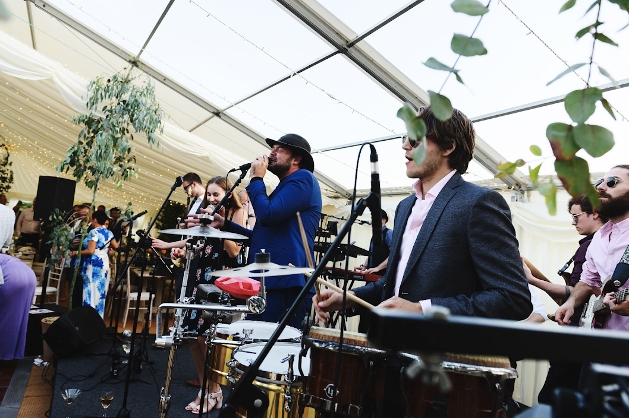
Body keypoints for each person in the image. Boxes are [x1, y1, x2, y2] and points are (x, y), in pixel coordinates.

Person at [313, 106, 532, 414]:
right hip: (388, 366)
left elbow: (513, 298)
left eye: (415, 139)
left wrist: (423, 310)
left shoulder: (479, 203)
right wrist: (348, 299)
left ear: (448, 146)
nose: (404, 146)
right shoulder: (405, 207)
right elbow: (397, 289)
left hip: (443, 378)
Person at [209, 133, 322, 328]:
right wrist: (226, 225)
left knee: (264, 347)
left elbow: (267, 215)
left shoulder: (303, 179)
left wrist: (256, 179)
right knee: (255, 343)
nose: (271, 152)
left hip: (287, 281)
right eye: (272, 148)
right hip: (272, 279)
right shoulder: (285, 186)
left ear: (296, 159)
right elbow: (264, 238)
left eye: (279, 149)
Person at [173, 176, 246, 414]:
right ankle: (205, 389)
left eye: (216, 194)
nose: (212, 198)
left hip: (219, 280)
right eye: (210, 195)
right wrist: (171, 246)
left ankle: (214, 391)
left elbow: (234, 251)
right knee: (193, 336)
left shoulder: (236, 212)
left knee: (208, 338)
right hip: (199, 277)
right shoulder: (205, 212)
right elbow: (194, 241)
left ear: (227, 195)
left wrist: (220, 224)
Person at [556, 165, 629, 331]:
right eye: (599, 182)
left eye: (612, 182)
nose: (600, 187)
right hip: (604, 345)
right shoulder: (598, 238)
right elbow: (588, 282)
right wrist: (571, 303)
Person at [0, 204, 36, 360]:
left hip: (9, 273)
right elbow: (7, 241)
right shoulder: (8, 212)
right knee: (15, 320)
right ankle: (9, 356)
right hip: (25, 272)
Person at [70, 210, 118, 317]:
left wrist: (76, 252)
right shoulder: (109, 232)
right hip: (104, 263)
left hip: (93, 264)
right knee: (101, 291)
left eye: (92, 218)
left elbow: (90, 251)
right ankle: (98, 316)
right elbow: (116, 247)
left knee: (90, 290)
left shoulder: (93, 232)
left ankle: (89, 317)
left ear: (95, 220)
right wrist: (109, 250)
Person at [356, 209, 393, 276]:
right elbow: (372, 254)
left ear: (383, 220)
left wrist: (378, 268)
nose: (372, 220)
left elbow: (393, 255)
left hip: (382, 275)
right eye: (372, 218)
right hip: (372, 273)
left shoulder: (389, 233)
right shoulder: (375, 235)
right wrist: (364, 266)